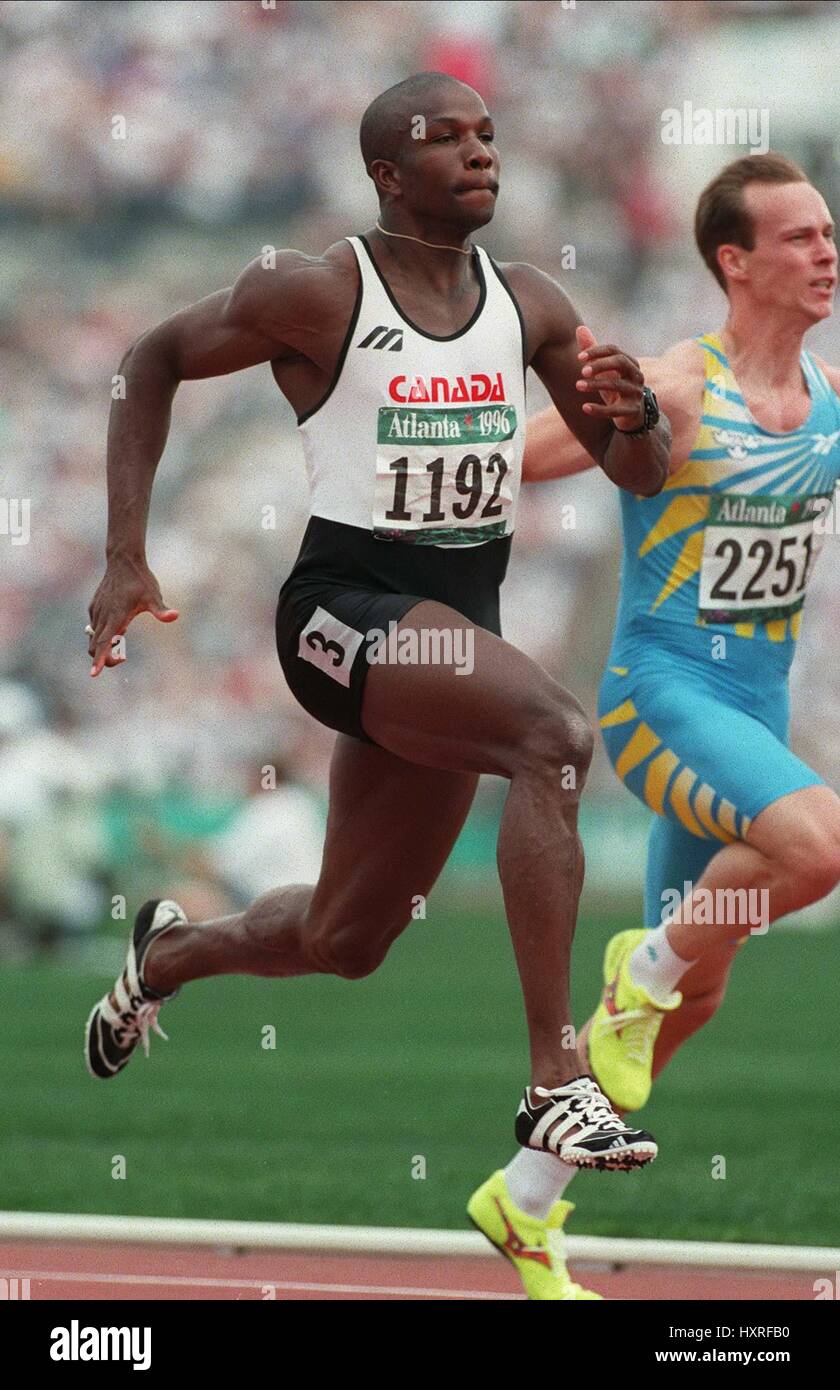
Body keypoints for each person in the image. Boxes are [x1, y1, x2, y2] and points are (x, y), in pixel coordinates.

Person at [84, 72, 670, 1301]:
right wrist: (127, 553)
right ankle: (556, 1080)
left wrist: (642, 422)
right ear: (386, 175)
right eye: (443, 140)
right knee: (554, 736)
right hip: (340, 618)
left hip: (457, 634)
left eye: (488, 136)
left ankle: (164, 959)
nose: (478, 154)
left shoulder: (536, 308)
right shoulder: (317, 290)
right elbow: (150, 358)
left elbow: (637, 469)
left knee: (347, 939)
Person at [523, 153, 840, 1132]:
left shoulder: (829, 397)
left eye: (829, 232)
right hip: (660, 696)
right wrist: (605, 408)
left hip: (754, 708)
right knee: (820, 848)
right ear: (735, 262)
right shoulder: (681, 383)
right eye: (801, 237)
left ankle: (526, 1203)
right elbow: (530, 456)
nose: (828, 252)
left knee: (700, 995)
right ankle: (639, 971)